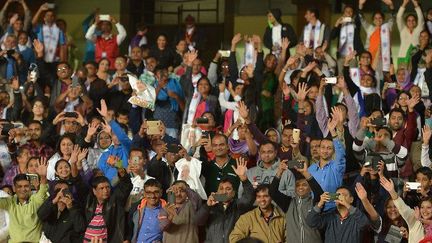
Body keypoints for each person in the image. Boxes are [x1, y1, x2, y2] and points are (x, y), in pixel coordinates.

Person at [196, 157, 255, 243]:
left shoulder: (238, 205)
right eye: (221, 188)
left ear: (234, 193)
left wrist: (244, 179)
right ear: (217, 191)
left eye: (228, 189)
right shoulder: (211, 206)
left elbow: (249, 197)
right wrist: (207, 206)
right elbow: (198, 221)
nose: (224, 191)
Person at [269, 159, 324, 243]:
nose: (300, 187)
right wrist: (279, 172)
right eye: (297, 185)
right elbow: (272, 192)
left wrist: (306, 173)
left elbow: (320, 194)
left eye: (304, 185)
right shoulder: (288, 203)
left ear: (310, 189)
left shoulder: (314, 203)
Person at [0, 158, 49, 243]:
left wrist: (43, 177)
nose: (23, 189)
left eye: (26, 186)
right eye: (19, 186)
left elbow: (42, 191)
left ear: (30, 187)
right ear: (14, 188)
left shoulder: (35, 200)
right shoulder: (9, 202)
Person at [83, 167, 132, 243]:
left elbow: (126, 186)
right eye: (101, 188)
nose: (105, 191)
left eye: (107, 187)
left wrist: (122, 172)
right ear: (94, 191)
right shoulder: (89, 201)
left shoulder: (115, 200)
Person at [306, 186, 370, 243]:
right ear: (334, 199)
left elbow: (365, 223)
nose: (340, 198)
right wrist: (320, 204)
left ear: (351, 199)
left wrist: (347, 205)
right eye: (337, 195)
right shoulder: (329, 216)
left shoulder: (356, 216)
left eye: (344, 195)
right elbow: (311, 222)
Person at [308, 117, 346, 211]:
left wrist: (333, 132)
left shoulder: (337, 166)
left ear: (333, 151)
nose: (325, 151)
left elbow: (340, 154)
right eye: (323, 147)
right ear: (319, 149)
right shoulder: (311, 169)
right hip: (315, 210)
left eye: (329, 148)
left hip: (333, 210)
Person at [129, 179, 165, 243]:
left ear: (161, 193)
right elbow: (129, 228)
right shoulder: (136, 208)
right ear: (144, 193)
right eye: (149, 192)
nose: (152, 196)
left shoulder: (166, 210)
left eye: (156, 192)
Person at [396, 0, 424, 66]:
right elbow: (398, 17)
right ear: (406, 22)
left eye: (413, 20)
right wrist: (404, 3)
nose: (411, 22)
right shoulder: (402, 29)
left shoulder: (419, 29)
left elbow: (421, 18)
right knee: (403, 75)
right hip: (402, 56)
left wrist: (415, 4)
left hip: (416, 57)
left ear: (416, 22)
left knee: (414, 75)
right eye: (409, 20)